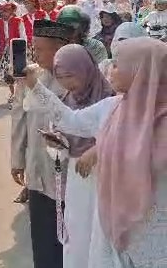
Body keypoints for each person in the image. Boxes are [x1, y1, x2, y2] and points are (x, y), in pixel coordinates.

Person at [22, 38, 166, 267]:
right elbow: (71, 121)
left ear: (139, 72)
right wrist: (36, 88)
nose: (110, 70)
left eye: (117, 65)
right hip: (112, 221)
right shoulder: (113, 108)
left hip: (154, 232)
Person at [38, 45, 114, 268]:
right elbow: (63, 138)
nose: (66, 83)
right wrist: (57, 144)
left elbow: (124, 137)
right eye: (60, 77)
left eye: (70, 76)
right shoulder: (64, 101)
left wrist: (99, 149)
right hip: (77, 179)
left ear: (85, 69)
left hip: (106, 179)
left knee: (101, 237)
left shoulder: (111, 99)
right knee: (78, 234)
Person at [10, 19, 75, 267]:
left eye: (39, 49)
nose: (34, 54)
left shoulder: (75, 79)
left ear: (59, 49)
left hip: (67, 177)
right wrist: (17, 160)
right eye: (33, 48)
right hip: (37, 171)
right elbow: (19, 118)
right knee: (42, 240)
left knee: (68, 242)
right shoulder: (29, 77)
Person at [0, 2, 26, 103]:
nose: (4, 13)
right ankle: (12, 93)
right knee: (7, 74)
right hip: (4, 51)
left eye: (6, 11)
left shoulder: (18, 21)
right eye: (2, 11)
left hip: (17, 50)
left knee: (19, 73)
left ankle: (20, 93)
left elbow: (23, 36)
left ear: (11, 11)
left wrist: (23, 49)